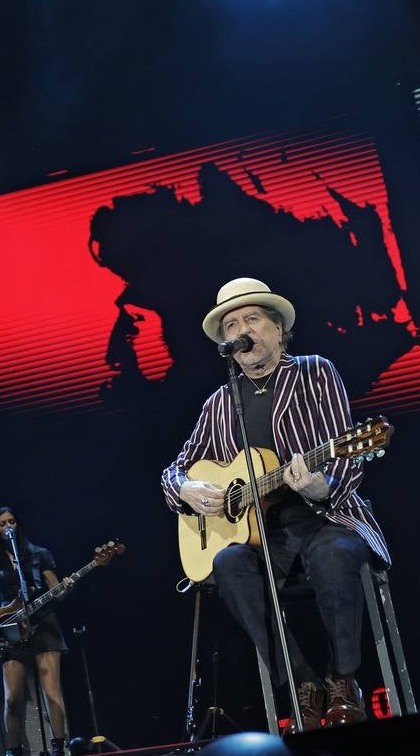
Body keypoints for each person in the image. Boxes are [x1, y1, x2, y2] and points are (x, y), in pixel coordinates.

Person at [161, 277, 389, 731]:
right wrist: (184, 490)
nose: (242, 330)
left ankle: (344, 680)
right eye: (233, 324)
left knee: (333, 553)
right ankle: (303, 683)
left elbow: (342, 456)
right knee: (227, 565)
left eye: (252, 319)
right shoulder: (219, 404)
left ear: (278, 329)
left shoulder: (314, 373)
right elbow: (174, 470)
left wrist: (321, 486)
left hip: (325, 516)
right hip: (263, 535)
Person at [0, 507, 74, 756]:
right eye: (2, 523)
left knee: (52, 693)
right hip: (10, 630)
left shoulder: (38, 555)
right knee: (13, 698)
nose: (8, 526)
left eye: (12, 521)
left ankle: (58, 750)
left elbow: (58, 592)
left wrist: (65, 587)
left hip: (44, 625)